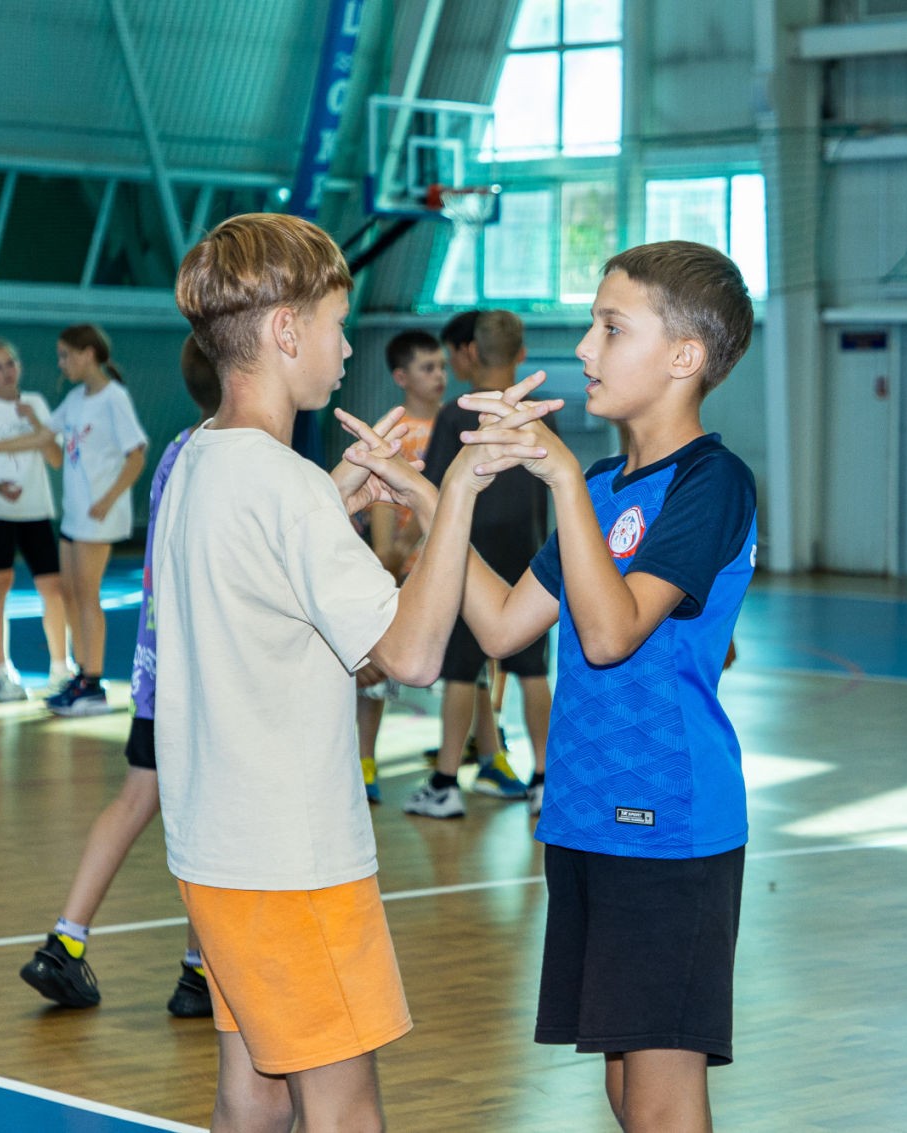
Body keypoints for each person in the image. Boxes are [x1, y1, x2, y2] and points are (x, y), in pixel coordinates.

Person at [159, 211, 552, 1129]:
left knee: (254, 1096)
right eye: (337, 325)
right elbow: (411, 654)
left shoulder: (200, 461)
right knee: (345, 1113)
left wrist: (333, 496)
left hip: (218, 845)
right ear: (285, 330)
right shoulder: (286, 484)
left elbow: (257, 589)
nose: (346, 348)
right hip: (293, 859)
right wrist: (454, 496)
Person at [448, 241, 759, 1132]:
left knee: (660, 1101)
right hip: (585, 817)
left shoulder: (711, 483)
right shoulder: (600, 484)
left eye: (611, 327)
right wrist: (438, 500)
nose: (585, 347)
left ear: (684, 357)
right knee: (627, 1092)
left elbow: (611, 631)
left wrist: (555, 478)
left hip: (670, 826)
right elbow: (503, 625)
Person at [18, 336, 221, 1018]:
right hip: (210, 681)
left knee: (138, 797)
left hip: (160, 672)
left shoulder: (178, 450)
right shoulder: (246, 459)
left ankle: (65, 940)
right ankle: (200, 972)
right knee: (211, 820)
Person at [406, 309, 551, 819]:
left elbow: (436, 492)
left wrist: (416, 553)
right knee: (532, 670)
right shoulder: (539, 414)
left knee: (461, 672)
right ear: (521, 354)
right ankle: (543, 779)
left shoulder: (456, 413)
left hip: (471, 557)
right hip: (528, 556)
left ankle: (446, 782)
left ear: (471, 352)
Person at [356, 329, 446, 804]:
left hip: (441, 566)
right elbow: (383, 504)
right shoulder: (396, 433)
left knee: (464, 670)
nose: (439, 376)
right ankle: (364, 762)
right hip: (400, 567)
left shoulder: (455, 426)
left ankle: (480, 750)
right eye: (427, 368)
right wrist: (387, 555)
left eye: (442, 366)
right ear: (401, 377)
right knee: (378, 671)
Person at [44, 324, 148, 716]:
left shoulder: (114, 398)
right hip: (74, 514)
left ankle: (93, 683)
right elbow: (46, 437)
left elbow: (136, 455)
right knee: (69, 593)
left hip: (97, 516)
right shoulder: (74, 399)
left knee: (88, 596)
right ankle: (81, 672)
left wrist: (107, 500)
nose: (62, 363)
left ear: (88, 354)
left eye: (66, 355)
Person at [0, 340, 71, 700]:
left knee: (53, 587)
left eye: (10, 363)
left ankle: (61, 667)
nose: (6, 372)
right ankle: (1, 672)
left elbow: (56, 457)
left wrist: (36, 422)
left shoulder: (36, 403)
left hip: (36, 509)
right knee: (0, 583)